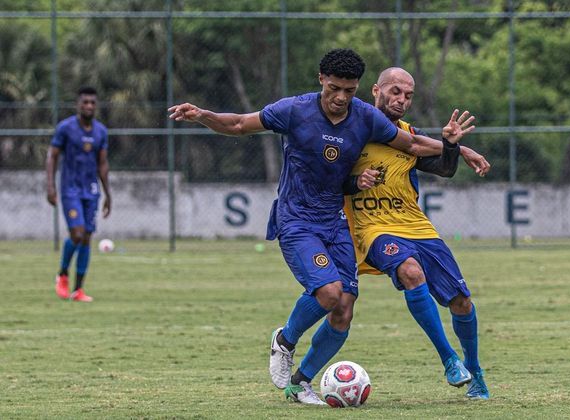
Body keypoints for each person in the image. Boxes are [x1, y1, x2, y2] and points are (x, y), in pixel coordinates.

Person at [168, 49, 474, 405]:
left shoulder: (364, 117)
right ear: (320, 81)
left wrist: (457, 148)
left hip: (335, 220)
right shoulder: (294, 110)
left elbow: (414, 144)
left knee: (343, 309)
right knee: (328, 293)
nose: (341, 98)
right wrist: (204, 116)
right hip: (297, 219)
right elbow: (238, 124)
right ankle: (284, 340)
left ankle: (300, 383)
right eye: (334, 89)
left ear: (358, 88)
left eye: (349, 89)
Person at [342, 67, 491, 399]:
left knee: (461, 302)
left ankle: (475, 370)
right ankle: (449, 359)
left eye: (408, 95)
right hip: (373, 228)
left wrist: (451, 145)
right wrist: (355, 182)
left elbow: (445, 169)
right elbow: (329, 177)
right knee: (410, 271)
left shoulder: (410, 135)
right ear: (376, 90)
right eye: (395, 92)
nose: (402, 100)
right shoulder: (351, 133)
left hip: (417, 227)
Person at [46, 86, 111, 303]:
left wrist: (108, 194)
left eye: (93, 102)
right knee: (77, 233)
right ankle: (62, 274)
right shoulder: (65, 128)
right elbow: (52, 157)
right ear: (78, 104)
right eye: (85, 102)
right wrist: (50, 186)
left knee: (87, 238)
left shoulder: (101, 131)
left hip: (91, 191)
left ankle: (78, 290)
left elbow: (102, 164)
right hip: (70, 189)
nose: (89, 106)